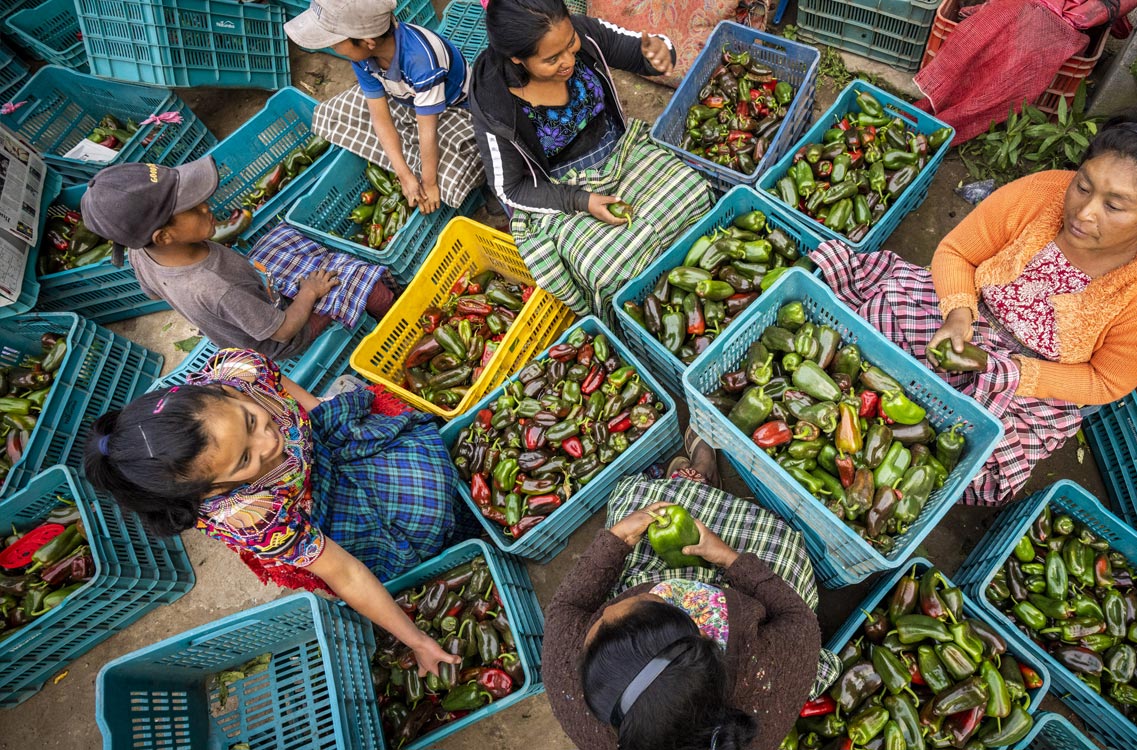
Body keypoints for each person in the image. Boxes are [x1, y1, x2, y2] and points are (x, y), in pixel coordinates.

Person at [810, 112, 1137, 506]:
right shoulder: (1041, 194)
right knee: (859, 338)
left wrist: (1013, 372)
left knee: (971, 465)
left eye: (1114, 207)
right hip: (963, 314)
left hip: (1035, 383)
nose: (1084, 213)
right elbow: (957, 252)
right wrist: (959, 314)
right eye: (1082, 186)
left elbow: (1106, 382)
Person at [83, 349, 469, 675]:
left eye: (250, 420)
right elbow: (345, 571)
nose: (268, 440)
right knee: (418, 523)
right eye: (245, 459)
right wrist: (416, 640)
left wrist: (322, 414)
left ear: (223, 392)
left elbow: (282, 386)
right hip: (314, 504)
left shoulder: (238, 371)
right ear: (211, 489)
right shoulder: (250, 516)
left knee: (418, 459)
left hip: (320, 449)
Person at [541, 462, 842, 750]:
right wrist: (728, 559)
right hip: (743, 602)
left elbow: (567, 606)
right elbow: (798, 616)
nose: (607, 607)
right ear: (707, 646)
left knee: (637, 502)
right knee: (785, 550)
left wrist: (616, 540)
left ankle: (689, 477)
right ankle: (696, 479)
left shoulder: (570, 691)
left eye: (599, 618)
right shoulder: (769, 680)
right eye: (654, 601)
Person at [468, 0, 713, 318]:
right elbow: (511, 189)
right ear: (517, 58)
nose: (569, 60)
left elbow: (638, 48)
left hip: (619, 153)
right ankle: (622, 319)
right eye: (552, 59)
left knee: (691, 189)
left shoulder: (582, 32)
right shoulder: (493, 97)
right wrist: (582, 200)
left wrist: (659, 54)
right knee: (609, 267)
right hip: (558, 191)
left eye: (570, 45)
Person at [80, 158, 395, 362]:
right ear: (164, 236)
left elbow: (153, 292)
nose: (206, 206)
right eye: (192, 207)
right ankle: (394, 318)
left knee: (281, 237)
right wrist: (309, 293)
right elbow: (283, 331)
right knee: (360, 282)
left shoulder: (141, 252)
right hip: (281, 339)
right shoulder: (215, 288)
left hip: (254, 298)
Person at [285, 0, 485, 214]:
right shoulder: (362, 58)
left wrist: (430, 184)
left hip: (455, 107)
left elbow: (428, 134)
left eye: (335, 41)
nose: (331, 46)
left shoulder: (422, 63)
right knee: (330, 113)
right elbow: (379, 118)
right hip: (406, 98)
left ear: (367, 41)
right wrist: (404, 175)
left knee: (445, 180)